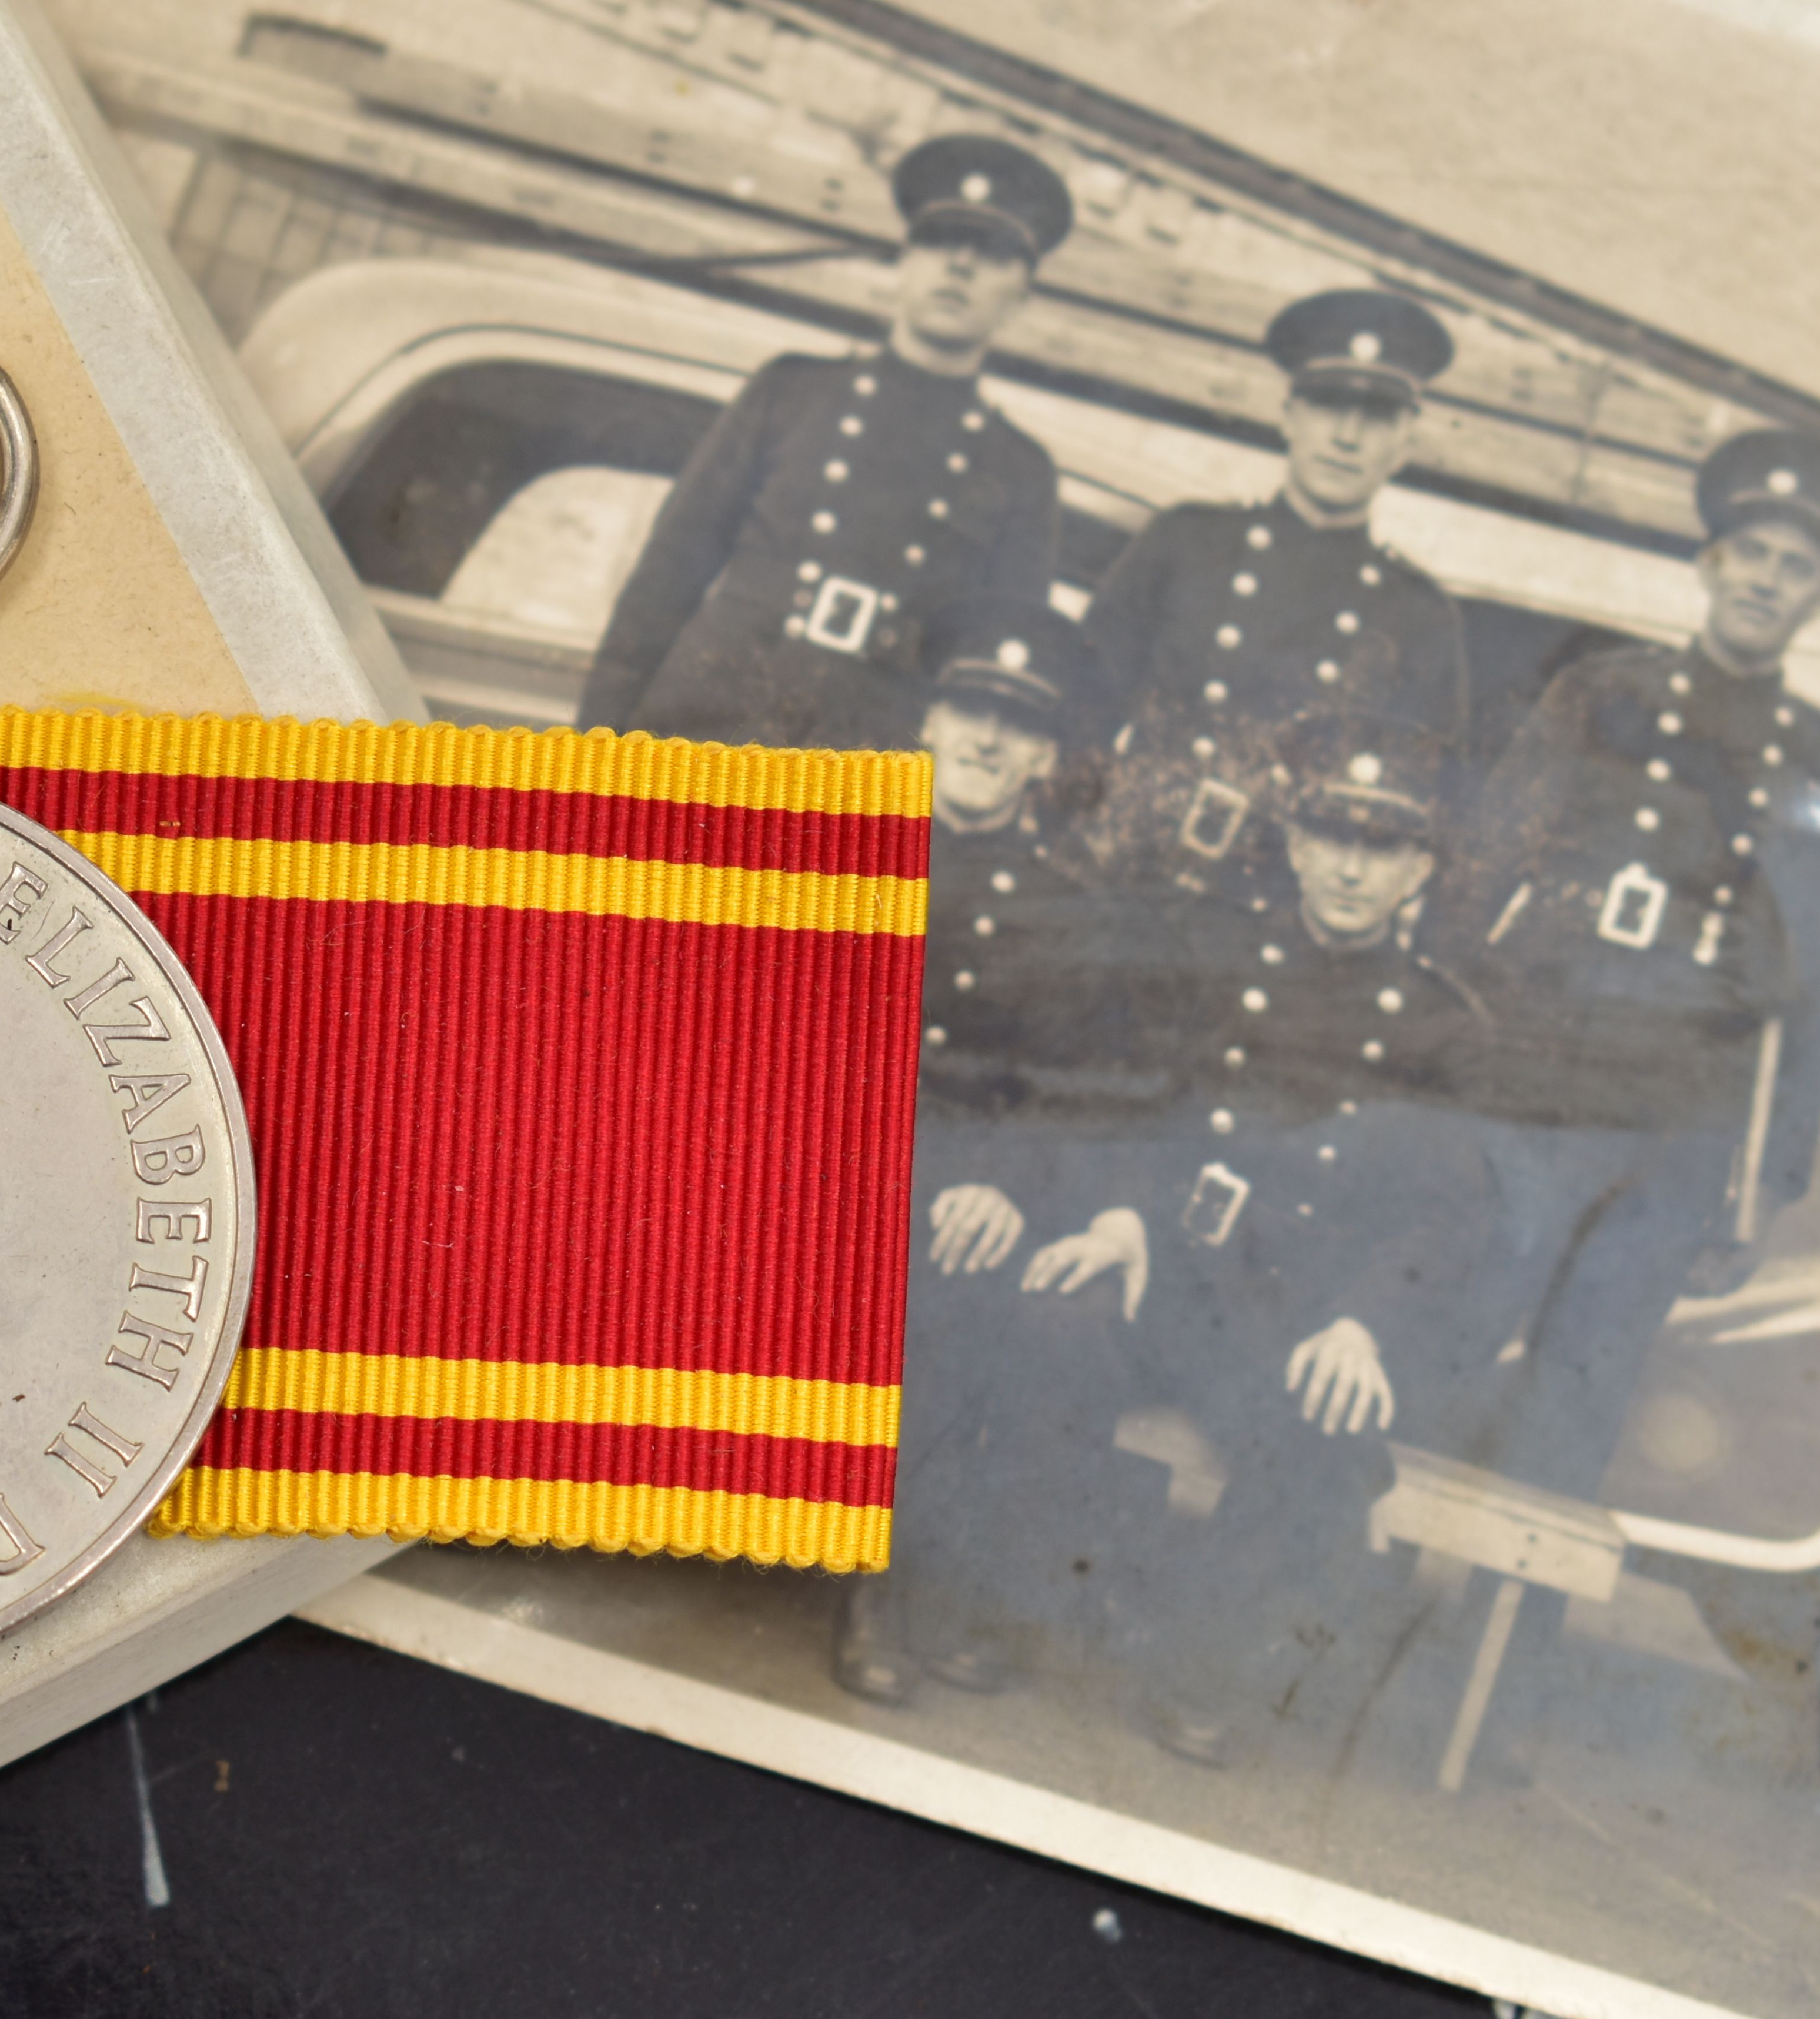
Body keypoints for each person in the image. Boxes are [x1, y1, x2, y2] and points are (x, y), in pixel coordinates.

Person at [1019, 713, 1493, 1762]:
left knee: (1325, 1433)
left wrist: (1366, 1326)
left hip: (1296, 1318)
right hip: (1171, 1271)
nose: (1351, 870)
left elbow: (1446, 1213)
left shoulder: (1439, 1027)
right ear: (1295, 846)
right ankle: (984, 1610)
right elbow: (1139, 1104)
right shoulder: (1213, 956)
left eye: (1381, 850)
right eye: (1332, 840)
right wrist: (1122, 1218)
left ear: (1417, 870)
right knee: (1053, 1321)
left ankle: (1194, 1664)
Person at [1432, 425, 1820, 1506]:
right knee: (1439, 1360)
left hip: (1673, 1144)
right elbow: (1474, 881)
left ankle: (1503, 1658)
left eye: (1798, 569)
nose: (1768, 583)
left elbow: (1818, 1001)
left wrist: (1766, 1191)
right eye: (1755, 555)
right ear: (1711, 563)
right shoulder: (1600, 697)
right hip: (1526, 1104)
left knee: (1572, 1420)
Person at [842, 629, 1195, 1703]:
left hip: (962, 1194)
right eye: (971, 711)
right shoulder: (839, 845)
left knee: (991, 1284)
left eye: (1021, 726)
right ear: (930, 722)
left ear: (1047, 759)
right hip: (830, 1162)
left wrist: (1004, 1185)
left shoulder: (1070, 910)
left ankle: (890, 1591)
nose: (990, 740)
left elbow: (1073, 1090)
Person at [576, 132, 1071, 749]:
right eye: (940, 242)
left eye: (993, 254)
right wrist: (594, 750)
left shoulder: (1020, 471)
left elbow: (994, 678)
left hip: (858, 770)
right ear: (903, 263)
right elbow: (664, 581)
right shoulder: (790, 394)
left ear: (1021, 298)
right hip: (703, 729)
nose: (960, 266)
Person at [1080, 287, 1468, 901]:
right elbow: (1082, 709)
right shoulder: (1186, 542)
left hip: (1273, 916)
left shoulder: (1417, 616)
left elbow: (1418, 810)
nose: (1346, 435)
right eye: (1328, 405)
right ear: (1288, 415)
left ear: (1407, 444)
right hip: (1120, 876)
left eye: (1375, 417)